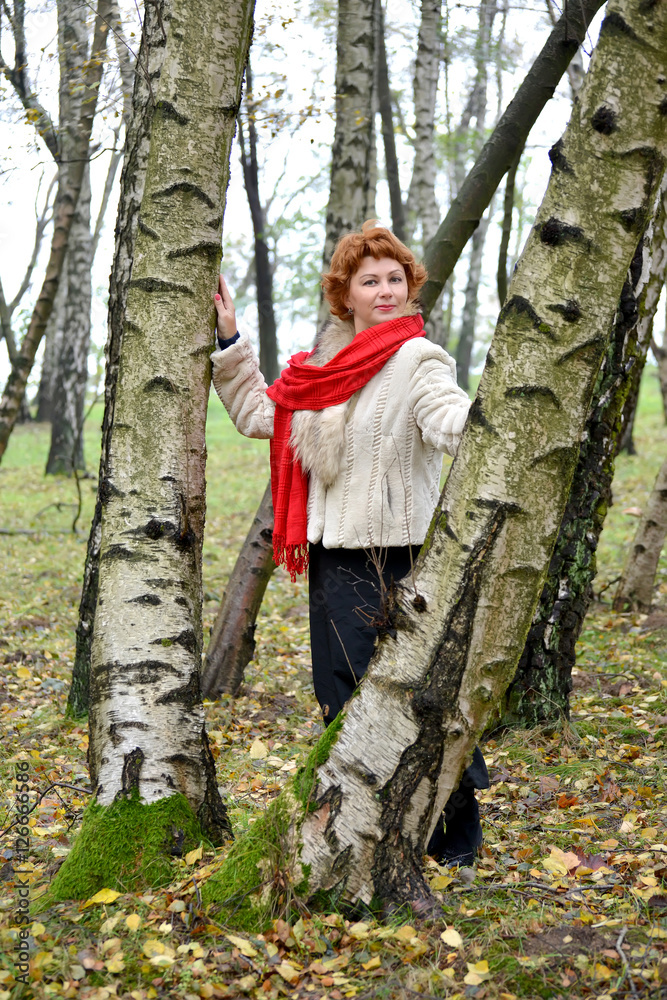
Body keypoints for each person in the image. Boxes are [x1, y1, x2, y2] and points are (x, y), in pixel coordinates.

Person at [212, 220, 488, 865]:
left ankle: (455, 836)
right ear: (346, 295)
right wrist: (229, 341)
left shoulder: (418, 359)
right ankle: (369, 826)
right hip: (334, 556)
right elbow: (261, 414)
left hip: (401, 555)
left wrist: (490, 421)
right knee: (342, 691)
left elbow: (447, 416)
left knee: (415, 692)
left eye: (396, 279)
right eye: (371, 281)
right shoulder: (323, 368)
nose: (386, 291)